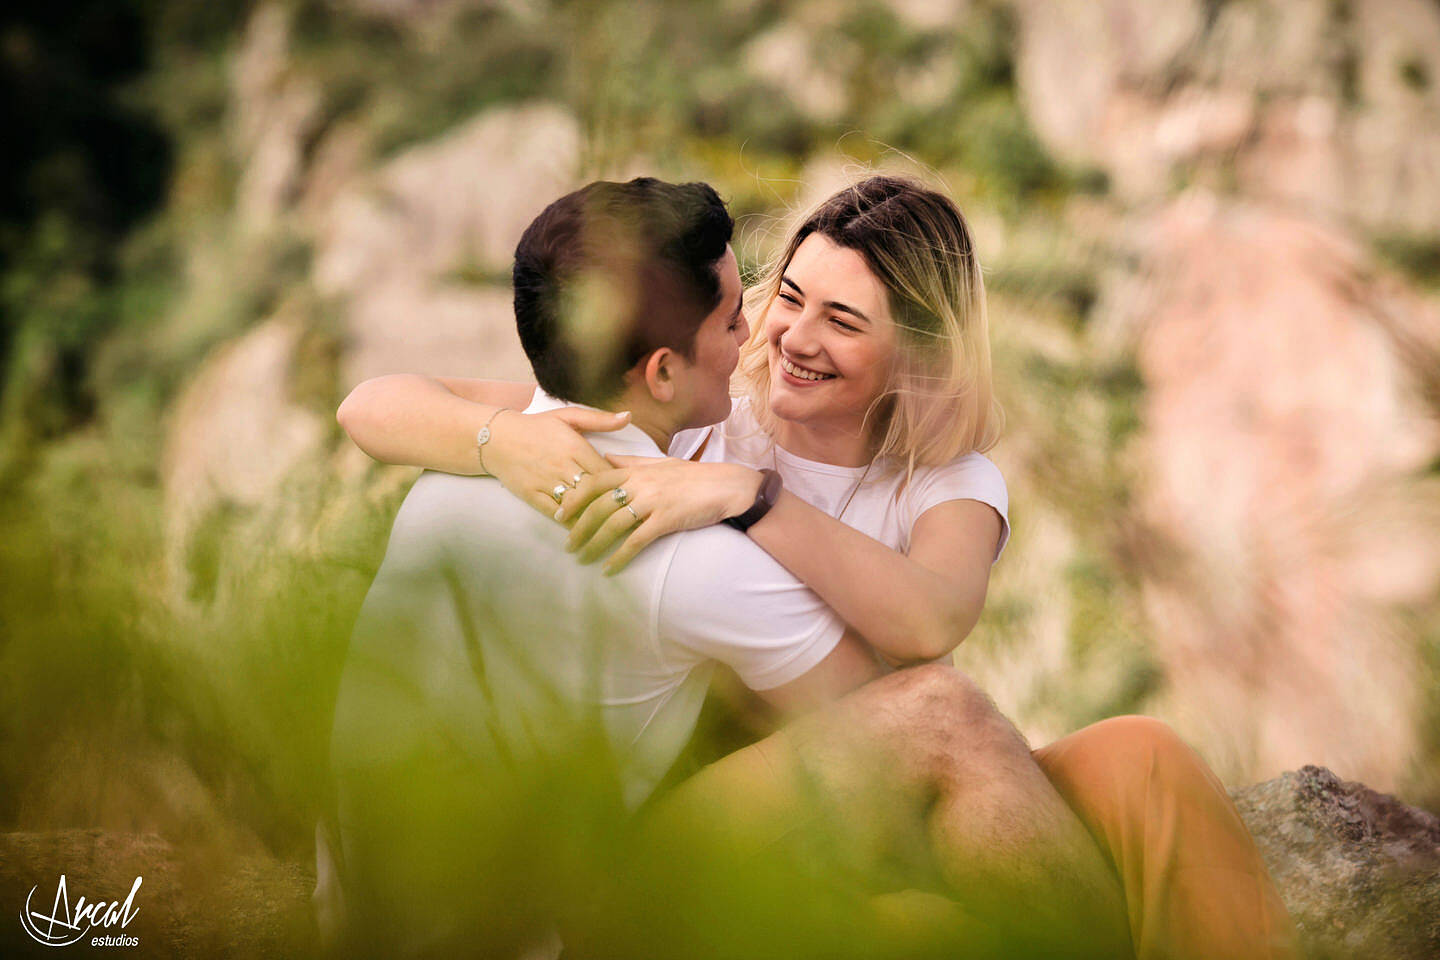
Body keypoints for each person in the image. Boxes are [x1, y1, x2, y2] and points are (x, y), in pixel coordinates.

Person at [336, 176, 1297, 958]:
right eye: (786, 298)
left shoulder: (949, 480)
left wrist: (751, 499)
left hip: (848, 765)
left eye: (843, 320)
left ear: (917, 351)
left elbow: (926, 630)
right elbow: (382, 405)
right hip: (703, 811)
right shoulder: (708, 405)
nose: (790, 338)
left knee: (1145, 756)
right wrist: (500, 439)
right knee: (939, 794)